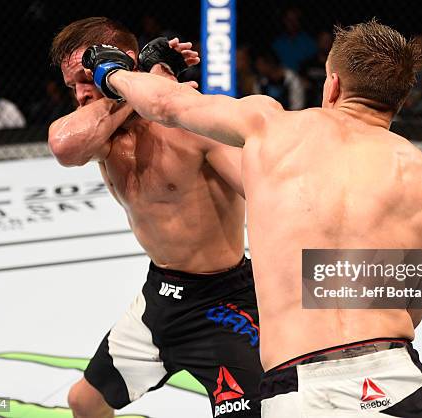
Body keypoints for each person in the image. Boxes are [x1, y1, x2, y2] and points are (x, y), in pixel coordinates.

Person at [91, 20, 422, 417]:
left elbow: (166, 105)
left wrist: (113, 72)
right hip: (395, 379)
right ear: (400, 100)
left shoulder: (272, 127)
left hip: (302, 388)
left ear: (332, 85)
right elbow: (412, 306)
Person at [48, 17, 262, 418]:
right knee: (84, 401)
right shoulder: (103, 135)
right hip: (162, 297)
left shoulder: (193, 124)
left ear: (116, 62)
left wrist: (153, 88)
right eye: (71, 86)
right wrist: (143, 84)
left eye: (85, 77)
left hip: (225, 301)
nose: (79, 94)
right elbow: (64, 146)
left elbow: (266, 194)